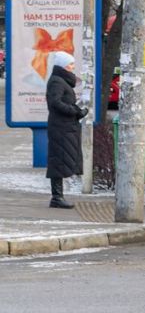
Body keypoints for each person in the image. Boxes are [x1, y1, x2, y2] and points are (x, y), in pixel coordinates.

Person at [45, 51, 87, 209]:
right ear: (62, 65)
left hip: (65, 127)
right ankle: (57, 197)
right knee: (58, 161)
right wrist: (74, 111)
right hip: (60, 128)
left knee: (61, 160)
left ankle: (58, 197)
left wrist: (78, 111)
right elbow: (55, 103)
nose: (72, 67)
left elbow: (63, 102)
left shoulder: (61, 80)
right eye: (70, 64)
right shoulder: (57, 81)